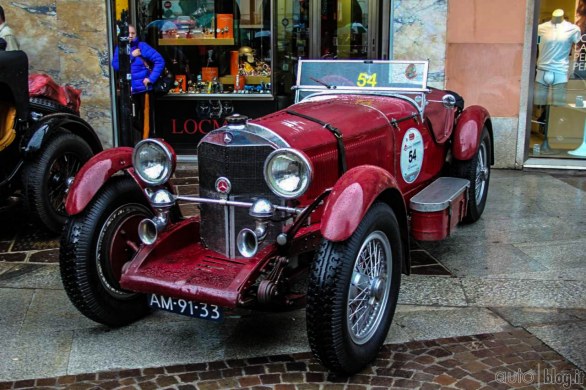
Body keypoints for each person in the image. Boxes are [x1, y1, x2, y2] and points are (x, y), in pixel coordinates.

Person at [112, 24, 165, 142]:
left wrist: (150, 79)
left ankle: (148, 142)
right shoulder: (119, 48)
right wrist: (131, 56)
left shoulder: (142, 46)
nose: (130, 36)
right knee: (131, 119)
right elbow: (116, 66)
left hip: (144, 90)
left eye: (133, 33)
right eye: (128, 33)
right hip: (129, 90)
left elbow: (159, 61)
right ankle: (153, 138)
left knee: (147, 119)